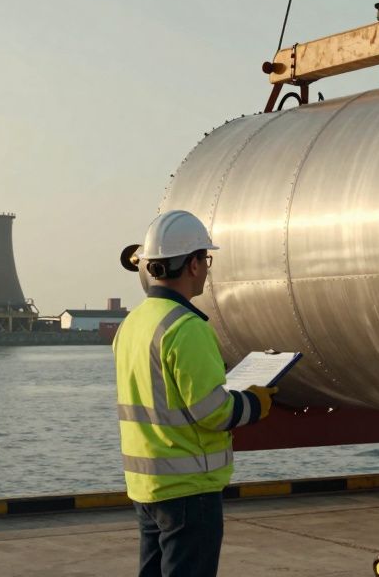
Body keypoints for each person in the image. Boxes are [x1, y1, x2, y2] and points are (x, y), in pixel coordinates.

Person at [114, 210, 278, 577]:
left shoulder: (132, 324)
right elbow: (214, 411)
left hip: (146, 486)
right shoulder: (187, 328)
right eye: (205, 258)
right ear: (191, 265)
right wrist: (256, 402)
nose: (206, 267)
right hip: (189, 491)